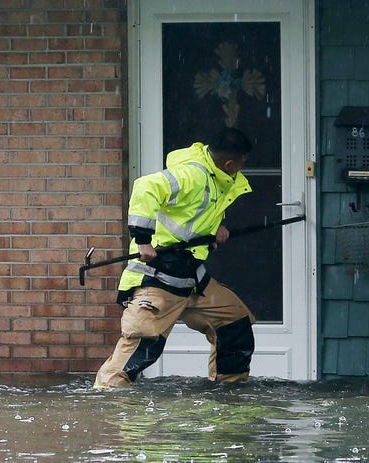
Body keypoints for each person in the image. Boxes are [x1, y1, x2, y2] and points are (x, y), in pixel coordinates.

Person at [94, 128, 258, 388]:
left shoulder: (215, 177)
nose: (241, 169)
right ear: (230, 162)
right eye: (242, 163)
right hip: (160, 276)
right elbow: (145, 187)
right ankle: (108, 401)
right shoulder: (192, 174)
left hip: (192, 277)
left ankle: (229, 393)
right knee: (141, 344)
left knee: (233, 324)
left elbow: (197, 210)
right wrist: (143, 239)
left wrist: (216, 226)